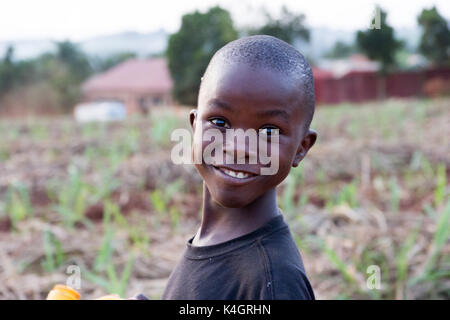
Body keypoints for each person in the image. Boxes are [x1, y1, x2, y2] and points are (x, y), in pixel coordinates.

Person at [163, 35, 318, 300]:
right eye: (220, 122)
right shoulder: (211, 241)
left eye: (269, 130)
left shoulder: (273, 280)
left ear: (301, 148)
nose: (238, 147)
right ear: (195, 125)